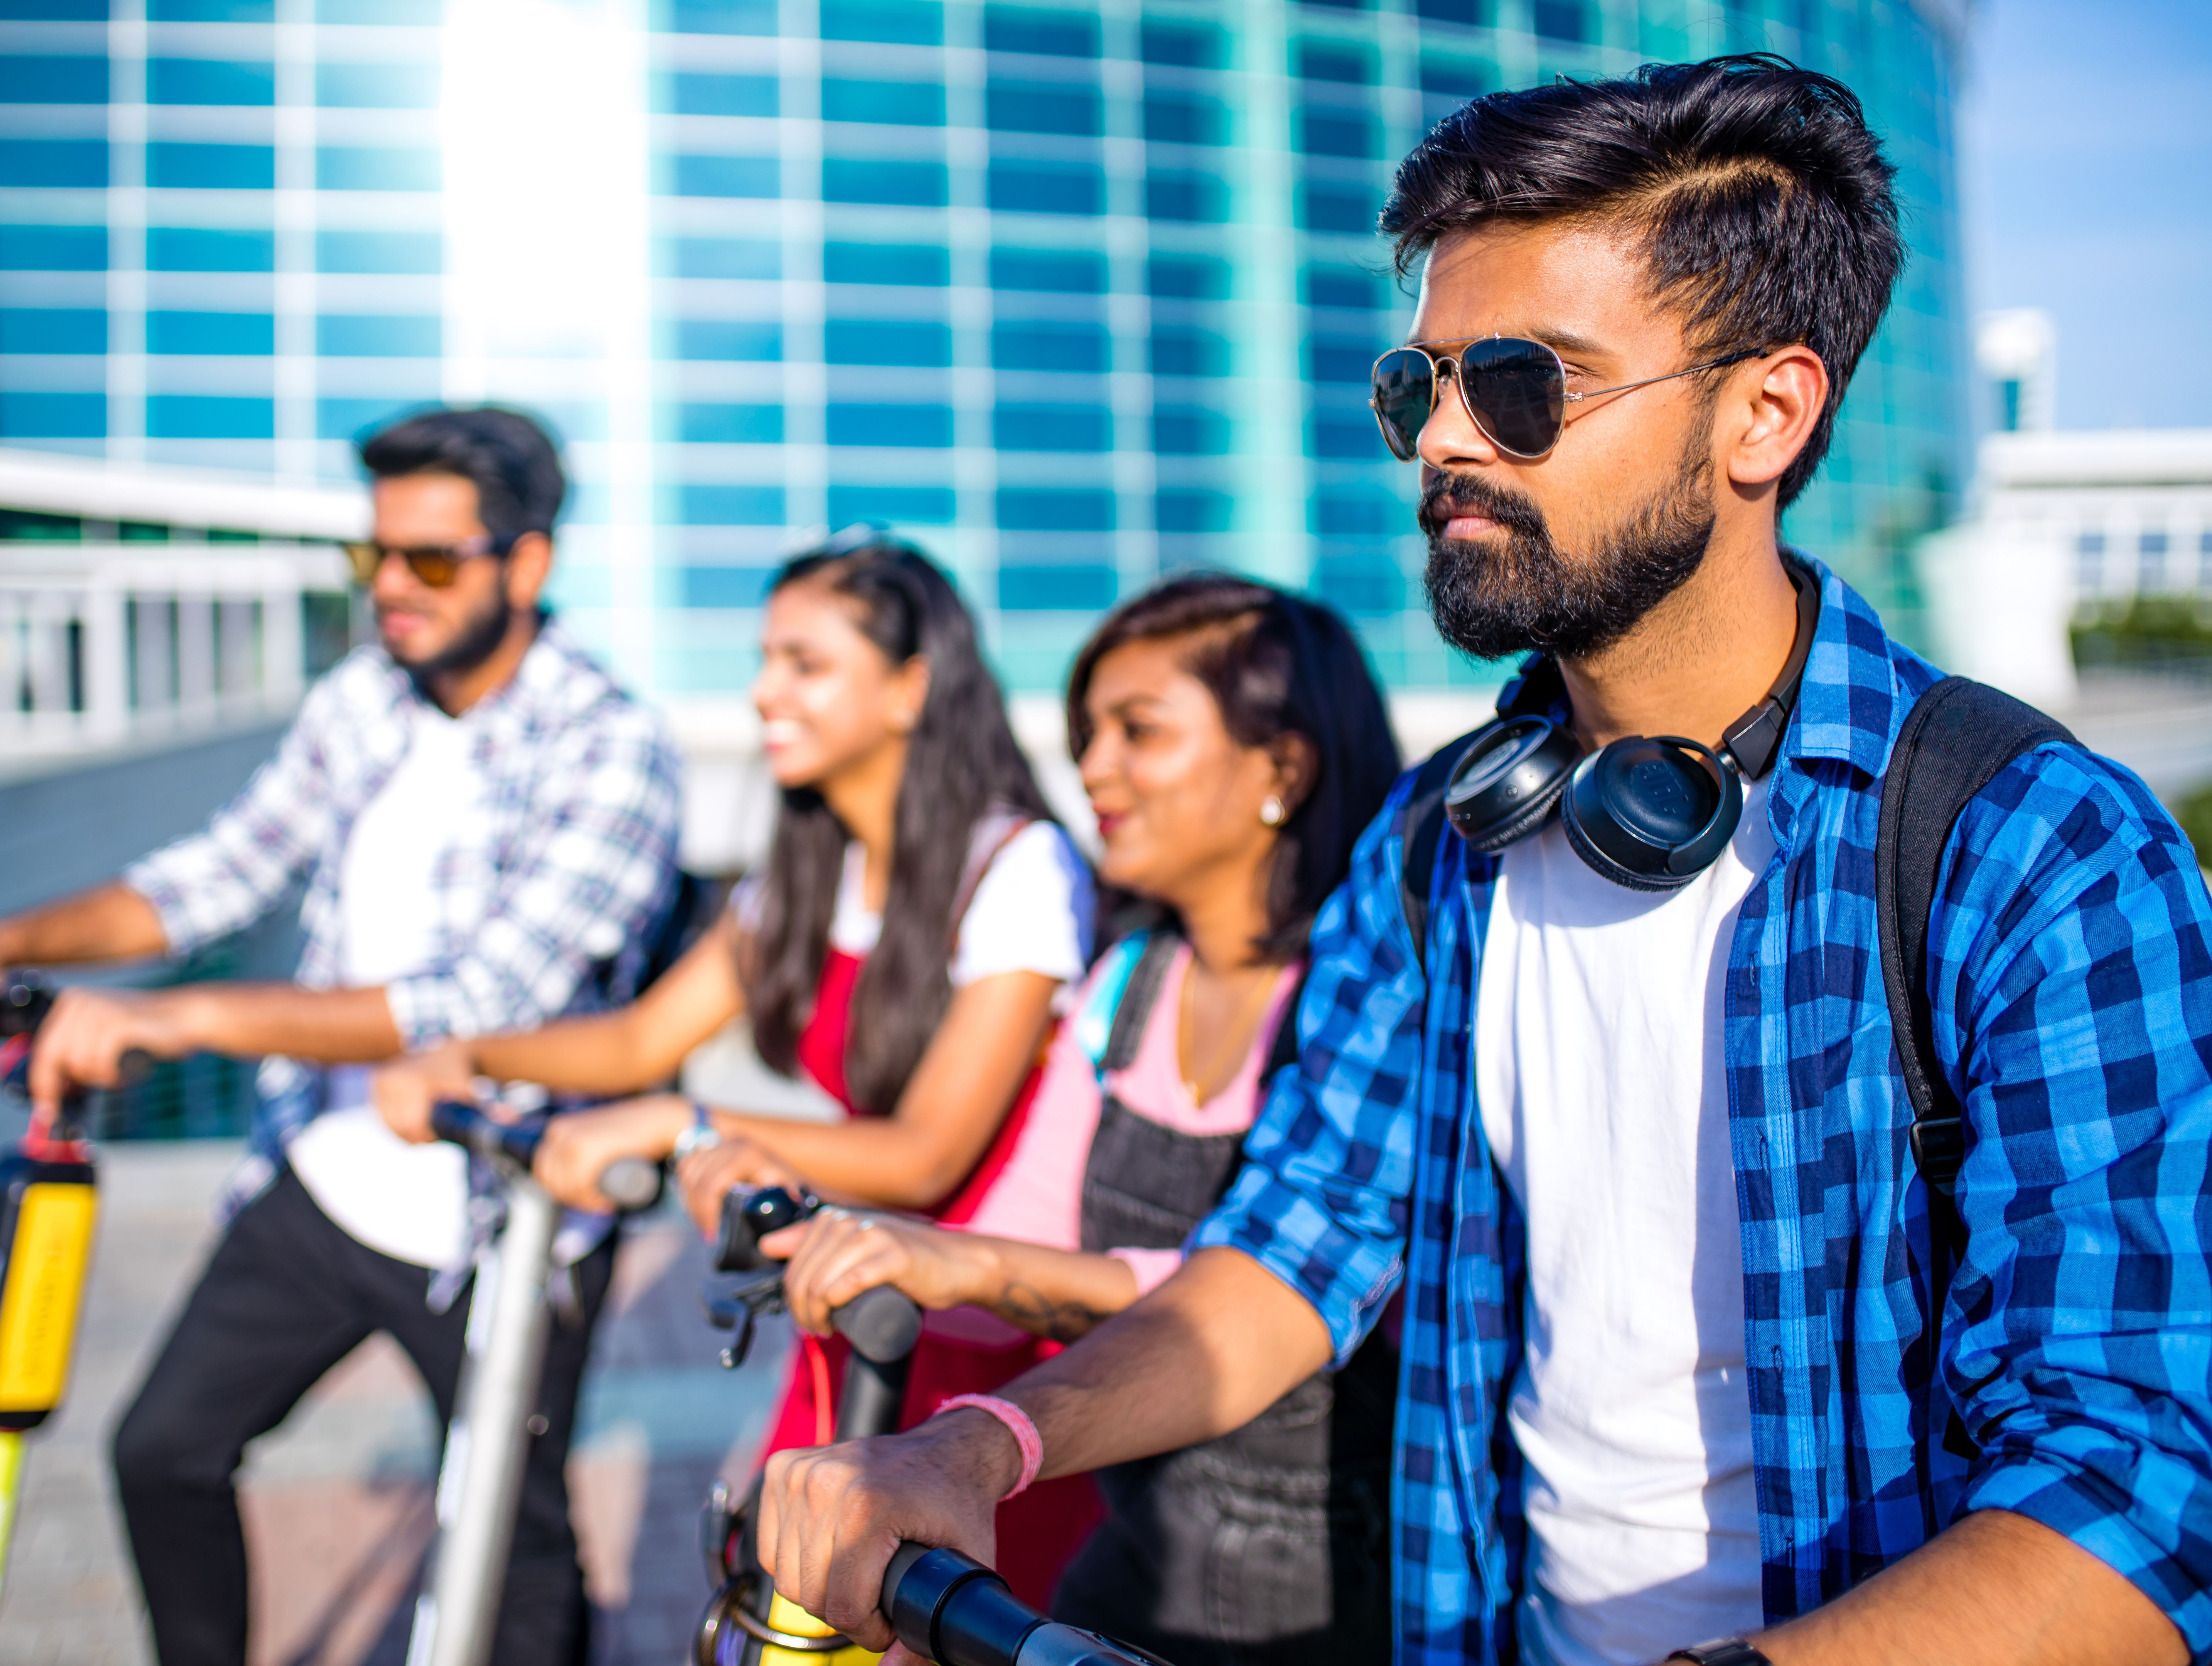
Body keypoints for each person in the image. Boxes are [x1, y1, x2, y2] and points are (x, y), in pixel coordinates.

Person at [755, 55, 2212, 1666]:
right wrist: (985, 1448)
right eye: (1419, 384)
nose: (1442, 439)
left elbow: (2134, 1499)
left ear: (1766, 412)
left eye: (1525, 385)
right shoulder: (1438, 843)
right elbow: (1290, 1256)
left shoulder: (2034, 854)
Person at [0, 406, 682, 1666]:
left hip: (502, 1218)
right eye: (376, 558)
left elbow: (476, 1004)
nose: (392, 591)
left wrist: (186, 1018)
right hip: (323, 1178)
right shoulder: (364, 699)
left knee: (508, 1539)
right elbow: (214, 874)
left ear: (527, 567)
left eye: (431, 560)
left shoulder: (614, 745)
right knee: (164, 1453)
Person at [371, 528, 1104, 1597]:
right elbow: (639, 1038)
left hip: (993, 1341)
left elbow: (923, 1155)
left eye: (805, 664)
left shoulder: (1018, 866)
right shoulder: (816, 865)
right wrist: (465, 1054)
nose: (765, 693)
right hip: (860, 1296)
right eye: (764, 660)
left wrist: (681, 1125)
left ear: (910, 689)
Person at [764, 573, 1401, 1665]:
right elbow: (1031, 1233)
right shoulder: (1128, 987)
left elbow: (1277, 1291)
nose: (1093, 768)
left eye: (1136, 732)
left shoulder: (1359, 1013)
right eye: (1087, 733)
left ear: (1283, 768)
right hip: (1139, 1556)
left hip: (1340, 1605)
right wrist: (866, 1255)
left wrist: (955, 1264)